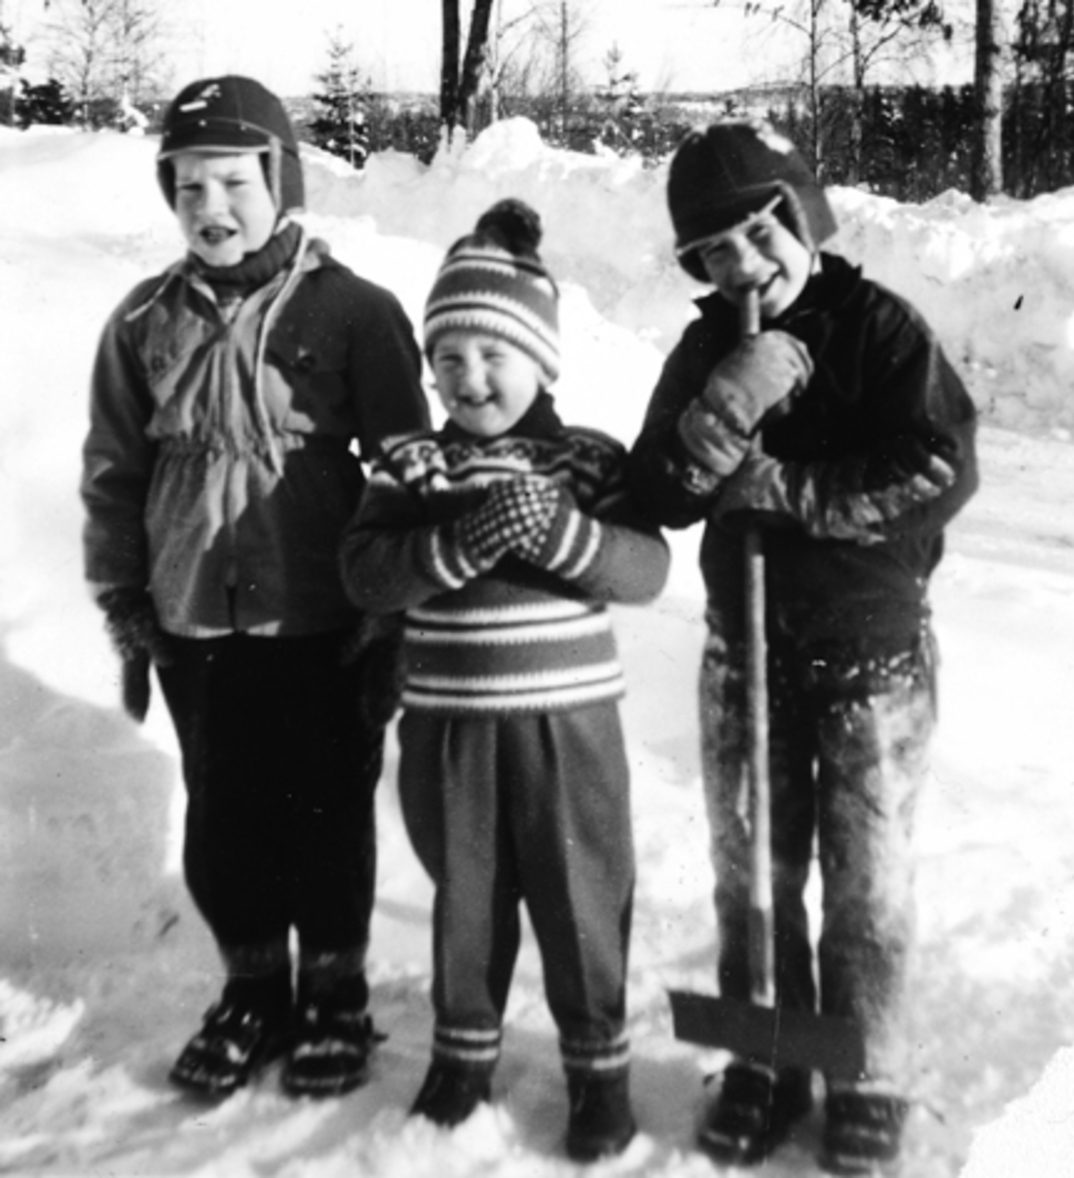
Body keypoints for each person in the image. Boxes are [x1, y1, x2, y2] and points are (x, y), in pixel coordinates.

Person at [629, 120, 979, 1175]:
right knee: (755, 876)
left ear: (803, 217)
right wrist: (722, 411)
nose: (746, 265)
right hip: (747, 657)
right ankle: (769, 1058)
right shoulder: (704, 350)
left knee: (865, 887)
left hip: (871, 661)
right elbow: (655, 494)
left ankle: (865, 1069)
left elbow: (939, 466)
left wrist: (790, 489)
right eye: (715, 253)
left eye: (762, 234)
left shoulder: (878, 329)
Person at [80, 75, 430, 1100]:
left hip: (323, 616)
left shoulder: (356, 311)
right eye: (186, 188)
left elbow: (407, 467)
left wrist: (392, 610)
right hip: (194, 616)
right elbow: (114, 472)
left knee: (326, 811)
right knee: (224, 815)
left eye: (233, 181)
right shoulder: (143, 319)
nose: (210, 207)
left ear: (281, 179)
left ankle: (334, 992)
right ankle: (251, 991)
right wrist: (124, 598)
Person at [339, 198, 670, 1161]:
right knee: (468, 898)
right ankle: (462, 1055)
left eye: (492, 354)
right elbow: (366, 572)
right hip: (451, 730)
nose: (469, 378)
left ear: (541, 359)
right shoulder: (417, 465)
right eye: (447, 360)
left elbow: (645, 570)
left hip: (569, 730)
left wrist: (564, 537)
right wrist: (456, 542)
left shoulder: (584, 459)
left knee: (582, 898)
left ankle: (598, 1070)